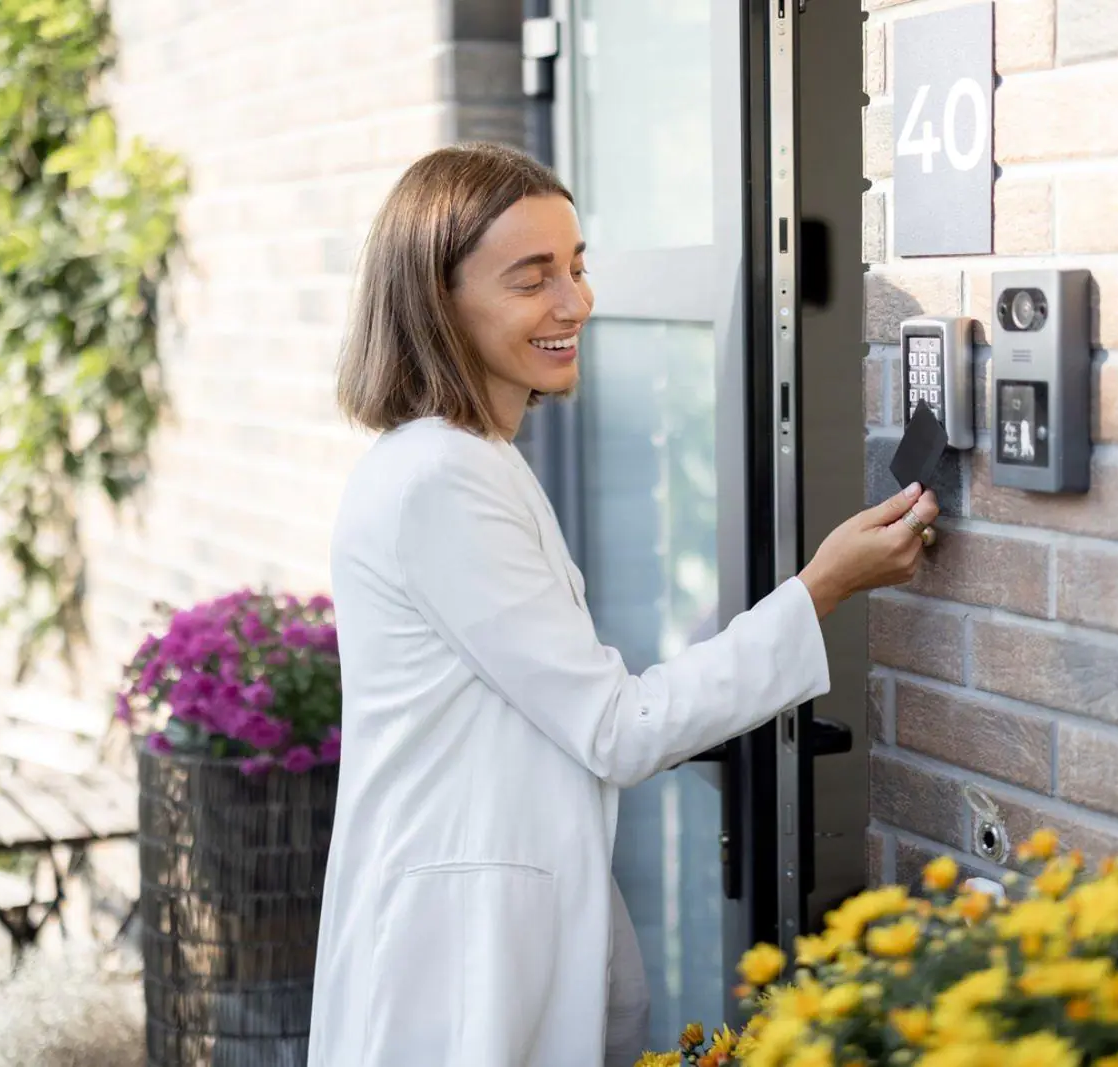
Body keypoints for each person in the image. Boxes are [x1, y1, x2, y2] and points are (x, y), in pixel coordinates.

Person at [308, 142, 940, 1067]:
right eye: (532, 279)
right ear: (437, 302)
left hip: (483, 925)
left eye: (576, 265)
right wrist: (824, 584)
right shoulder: (440, 479)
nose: (574, 303)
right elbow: (618, 727)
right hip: (457, 961)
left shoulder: (468, 461)